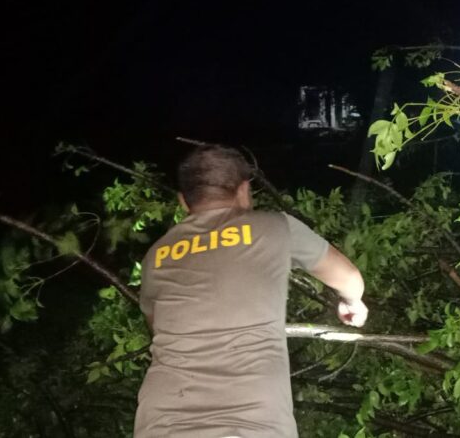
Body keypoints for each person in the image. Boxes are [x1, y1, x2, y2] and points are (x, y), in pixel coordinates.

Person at [134, 145, 367, 438]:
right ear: (244, 190)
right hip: (253, 424)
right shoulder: (276, 227)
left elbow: (157, 327)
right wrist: (353, 302)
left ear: (183, 202)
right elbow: (348, 277)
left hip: (162, 423)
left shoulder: (156, 255)